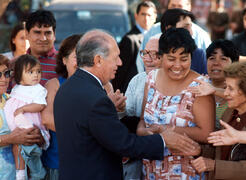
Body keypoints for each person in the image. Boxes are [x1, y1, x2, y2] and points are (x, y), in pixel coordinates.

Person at [53, 29, 201, 180]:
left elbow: (98, 128)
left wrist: (141, 124)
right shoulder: (96, 99)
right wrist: (163, 140)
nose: (120, 63)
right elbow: (124, 144)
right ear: (98, 60)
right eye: (116, 57)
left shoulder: (67, 88)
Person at [136, 28, 215, 179]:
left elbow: (207, 134)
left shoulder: (199, 86)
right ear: (160, 57)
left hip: (185, 172)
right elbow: (142, 122)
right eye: (171, 59)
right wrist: (148, 134)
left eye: (184, 59)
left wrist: (168, 129)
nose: (177, 65)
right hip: (150, 171)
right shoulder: (151, 79)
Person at [191, 61, 246, 180]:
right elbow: (222, 153)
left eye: (231, 89)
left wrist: (215, 166)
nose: (225, 93)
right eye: (226, 87)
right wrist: (199, 151)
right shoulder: (229, 113)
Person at [41, 34, 82, 180]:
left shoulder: (102, 85)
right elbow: (46, 119)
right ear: (64, 60)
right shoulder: (54, 85)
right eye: (77, 57)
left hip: (88, 164)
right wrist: (83, 131)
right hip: (58, 163)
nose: (82, 62)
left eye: (86, 56)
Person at [4, 54, 49, 180]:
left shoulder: (38, 89)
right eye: (31, 72)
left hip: (30, 124)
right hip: (16, 127)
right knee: (17, 148)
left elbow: (40, 105)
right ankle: (20, 173)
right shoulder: (16, 89)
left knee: (31, 150)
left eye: (38, 71)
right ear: (19, 76)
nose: (36, 75)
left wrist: (23, 109)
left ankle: (37, 173)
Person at [122, 35, 161, 180]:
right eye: (145, 53)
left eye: (155, 54)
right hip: (138, 156)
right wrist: (119, 110)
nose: (148, 58)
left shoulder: (180, 85)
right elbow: (128, 118)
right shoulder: (137, 80)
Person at [136, 0, 211, 73]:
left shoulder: (199, 52)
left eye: (184, 59)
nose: (191, 32)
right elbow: (142, 65)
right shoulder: (153, 37)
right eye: (173, 6)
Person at [188, 39, 239, 129]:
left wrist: (214, 90)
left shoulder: (242, 90)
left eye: (223, 59)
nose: (216, 63)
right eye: (212, 58)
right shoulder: (195, 86)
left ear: (234, 64)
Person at [112, 1, 157, 93]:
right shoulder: (130, 40)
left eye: (149, 15)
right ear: (136, 16)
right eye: (143, 14)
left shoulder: (158, 38)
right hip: (131, 91)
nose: (146, 18)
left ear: (155, 17)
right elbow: (121, 73)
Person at [160, 8, 207, 74]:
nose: (191, 32)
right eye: (185, 27)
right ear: (169, 28)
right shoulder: (153, 50)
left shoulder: (198, 54)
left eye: (184, 59)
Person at [25, 9, 58, 86]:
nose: (43, 38)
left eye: (48, 33)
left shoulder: (64, 63)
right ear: (26, 34)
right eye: (37, 32)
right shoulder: (15, 65)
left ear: (54, 34)